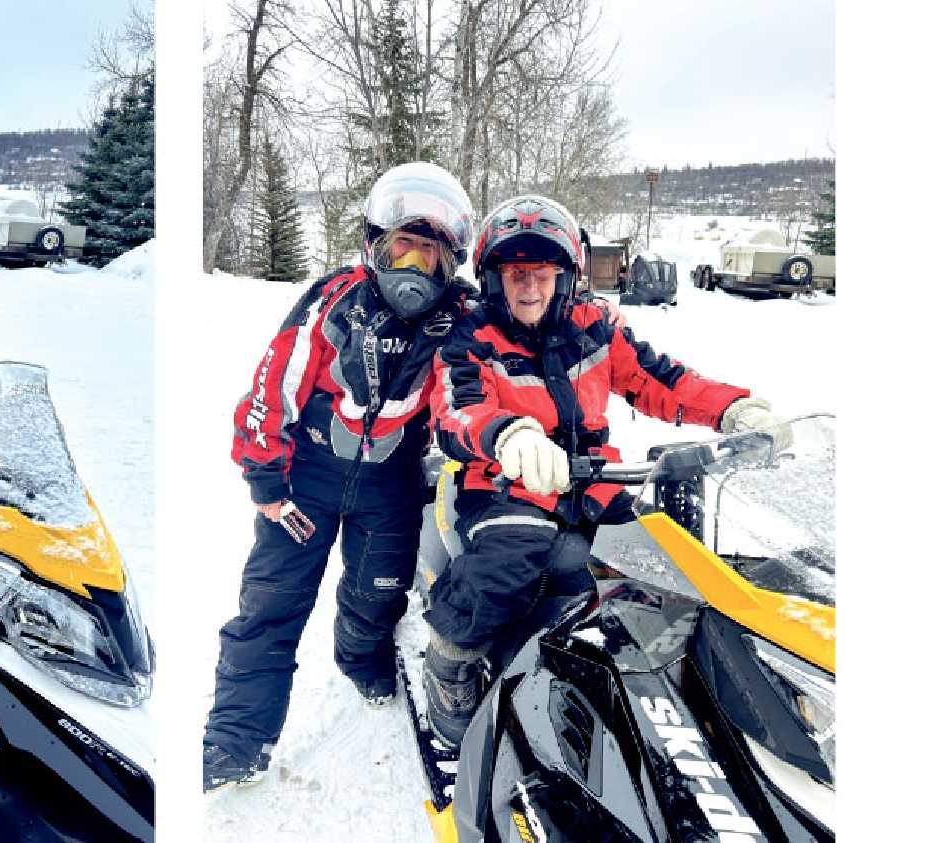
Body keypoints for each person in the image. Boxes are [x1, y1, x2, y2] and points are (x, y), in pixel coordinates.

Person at [422, 194, 784, 747]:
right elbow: (457, 408)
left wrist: (732, 408)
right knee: (507, 564)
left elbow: (661, 380)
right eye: (516, 273)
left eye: (541, 273)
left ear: (565, 276)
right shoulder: (470, 337)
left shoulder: (595, 327)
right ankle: (450, 666)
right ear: (493, 278)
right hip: (503, 483)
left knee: (667, 560)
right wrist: (509, 435)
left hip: (594, 480)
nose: (529, 288)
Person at [200, 162, 482, 794]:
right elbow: (275, 383)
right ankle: (235, 742)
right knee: (269, 608)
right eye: (401, 248)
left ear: (449, 264)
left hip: (391, 485)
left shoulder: (457, 321)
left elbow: (470, 387)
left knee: (376, 594)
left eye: (428, 255)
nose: (412, 267)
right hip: (306, 481)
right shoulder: (337, 300)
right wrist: (265, 479)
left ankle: (361, 660)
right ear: (375, 246)